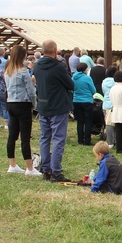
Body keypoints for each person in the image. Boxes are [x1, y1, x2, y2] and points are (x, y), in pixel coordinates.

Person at [34, 40, 75, 182]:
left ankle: (46, 169)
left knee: (44, 138)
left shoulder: (37, 65)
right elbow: (70, 84)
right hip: (58, 105)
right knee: (58, 139)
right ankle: (56, 171)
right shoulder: (58, 67)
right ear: (55, 50)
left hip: (43, 105)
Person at [4, 45, 41, 176]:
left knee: (12, 136)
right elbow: (31, 91)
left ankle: (12, 164)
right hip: (23, 104)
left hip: (11, 103)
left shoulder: (8, 70)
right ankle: (29, 168)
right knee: (25, 137)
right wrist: (34, 104)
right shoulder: (23, 71)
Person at [72, 62, 96, 146]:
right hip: (87, 101)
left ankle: (80, 140)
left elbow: (72, 89)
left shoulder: (73, 77)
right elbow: (93, 90)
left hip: (76, 100)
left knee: (80, 122)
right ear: (84, 69)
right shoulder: (87, 78)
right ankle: (87, 141)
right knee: (88, 122)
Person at [101, 66, 117, 145]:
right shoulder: (115, 82)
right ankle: (116, 140)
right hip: (114, 104)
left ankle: (110, 141)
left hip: (106, 103)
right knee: (116, 124)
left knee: (108, 123)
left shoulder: (104, 81)